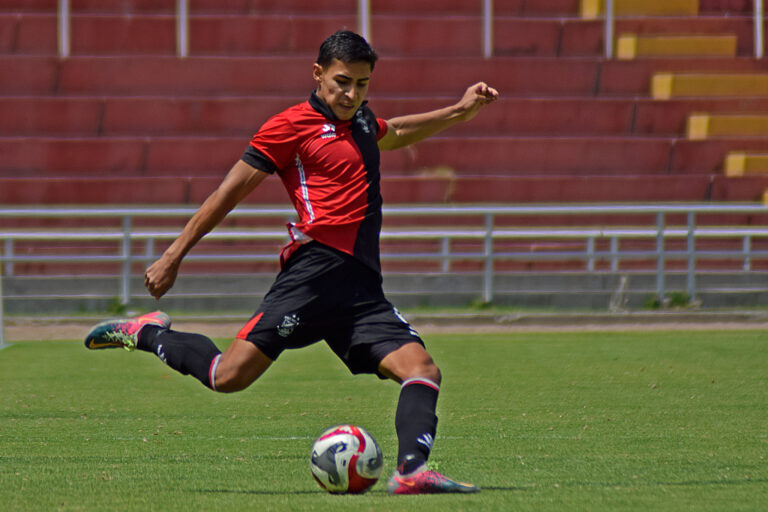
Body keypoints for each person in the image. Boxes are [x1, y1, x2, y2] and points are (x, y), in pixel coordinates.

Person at [85, 30, 498, 495]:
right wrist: (173, 255)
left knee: (421, 369)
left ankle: (411, 470)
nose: (352, 94)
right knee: (227, 377)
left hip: (361, 288)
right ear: (318, 73)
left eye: (362, 84)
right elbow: (229, 192)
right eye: (343, 81)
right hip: (313, 275)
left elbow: (397, 131)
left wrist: (462, 109)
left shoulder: (361, 121)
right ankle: (146, 332)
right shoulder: (288, 126)